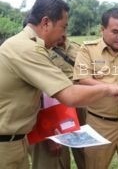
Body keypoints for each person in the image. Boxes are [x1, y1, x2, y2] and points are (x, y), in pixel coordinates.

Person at [0, 0, 118, 169]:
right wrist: (111, 88)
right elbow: (69, 95)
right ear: (46, 22)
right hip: (5, 144)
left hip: (14, 140)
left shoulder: (26, 44)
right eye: (63, 27)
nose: (64, 34)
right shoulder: (27, 49)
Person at [73, 7, 118, 169]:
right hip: (100, 123)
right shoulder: (88, 50)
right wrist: (114, 88)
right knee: (95, 165)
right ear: (102, 30)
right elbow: (83, 80)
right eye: (115, 32)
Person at [29, 35, 86, 169]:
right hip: (55, 112)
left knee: (84, 150)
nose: (62, 32)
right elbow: (40, 96)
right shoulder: (38, 52)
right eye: (60, 26)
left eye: (65, 26)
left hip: (78, 106)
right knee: (57, 157)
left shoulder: (77, 47)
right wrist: (49, 136)